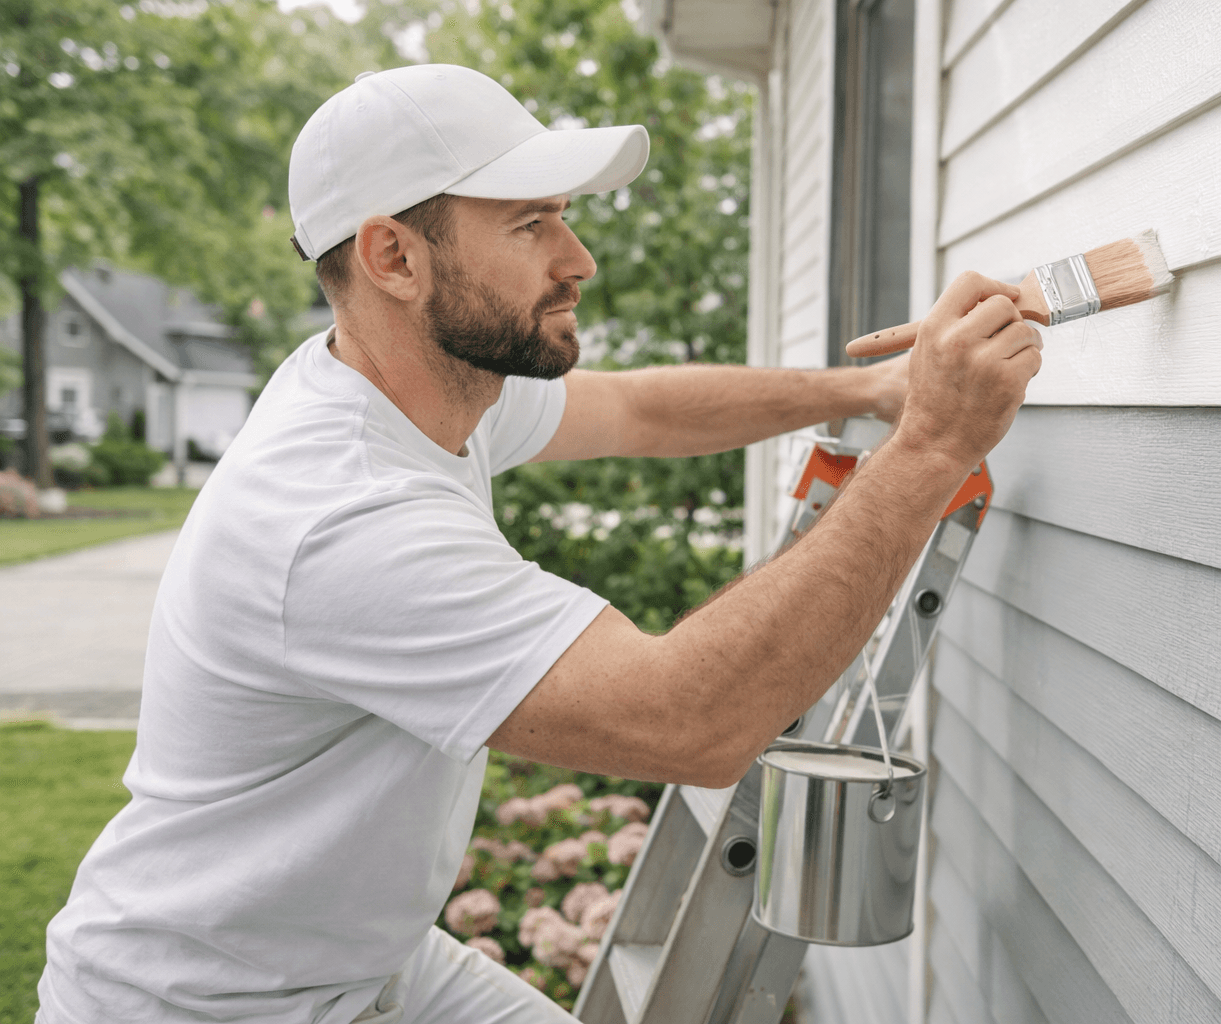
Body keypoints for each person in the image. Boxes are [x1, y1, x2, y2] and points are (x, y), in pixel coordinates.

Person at [37, 64, 1041, 1024]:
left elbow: (641, 410)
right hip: (203, 1003)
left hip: (356, 965)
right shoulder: (338, 516)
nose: (578, 258)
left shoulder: (414, 390)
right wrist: (934, 446)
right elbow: (692, 721)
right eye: (530, 223)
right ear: (393, 256)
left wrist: (863, 390)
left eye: (565, 214)